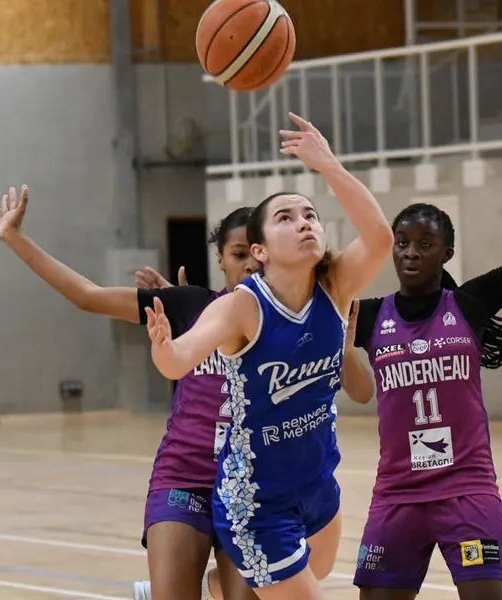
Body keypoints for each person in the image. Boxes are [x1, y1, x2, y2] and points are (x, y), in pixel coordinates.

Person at [143, 112, 394, 600]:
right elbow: (178, 363)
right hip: (257, 502)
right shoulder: (242, 306)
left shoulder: (335, 285)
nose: (303, 223)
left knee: (281, 589)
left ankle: (218, 587)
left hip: (319, 485)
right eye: (286, 218)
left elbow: (380, 237)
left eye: (309, 215)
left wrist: (328, 166)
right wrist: (163, 346)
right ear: (258, 250)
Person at [343, 103, 502, 600]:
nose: (410, 252)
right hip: (397, 493)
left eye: (424, 243)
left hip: (466, 490)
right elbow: (293, 300)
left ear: (445, 252)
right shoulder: (365, 316)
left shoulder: (468, 303)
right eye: (402, 242)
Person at [0, 189, 257, 600]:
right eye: (239, 254)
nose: (251, 264)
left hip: (250, 485)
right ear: (221, 259)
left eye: (259, 253)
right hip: (184, 477)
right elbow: (88, 295)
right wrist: (14, 237)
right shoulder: (191, 306)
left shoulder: (289, 324)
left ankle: (211, 587)